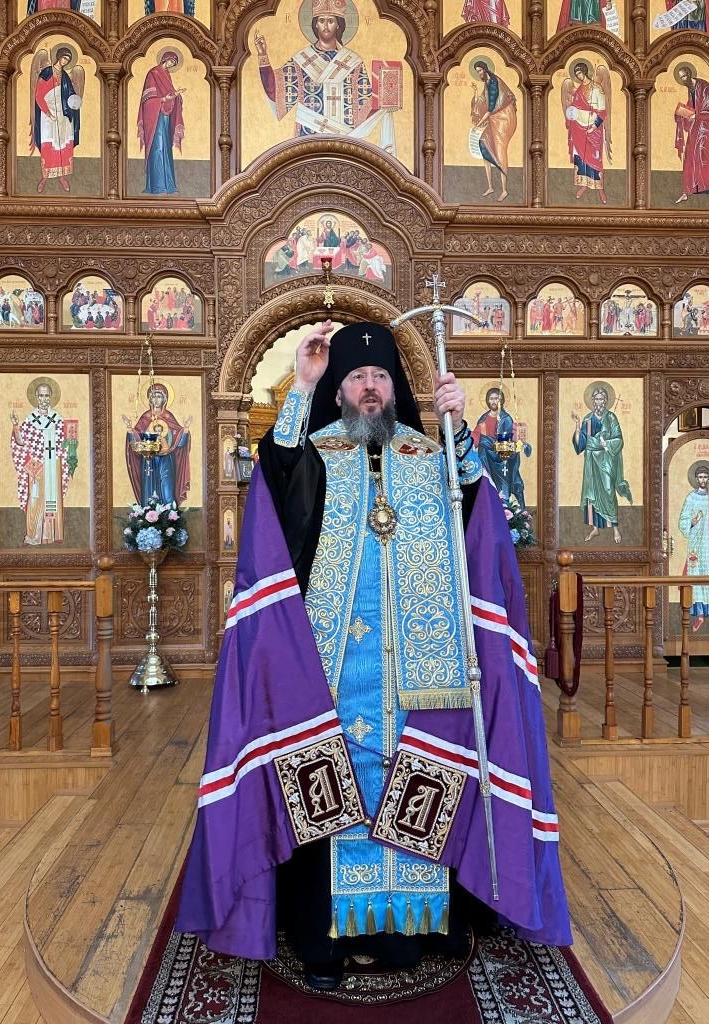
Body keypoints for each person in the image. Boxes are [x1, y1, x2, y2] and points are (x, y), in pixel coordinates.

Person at [177, 320, 571, 990]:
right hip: (328, 668)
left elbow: (480, 515)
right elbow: (276, 487)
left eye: (380, 377)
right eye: (356, 377)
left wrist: (460, 429)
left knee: (419, 785)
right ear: (338, 390)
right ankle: (321, 940)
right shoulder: (315, 451)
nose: (368, 388)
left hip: (423, 671)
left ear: (395, 389)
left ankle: (409, 935)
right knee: (329, 792)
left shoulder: (430, 454)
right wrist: (301, 386)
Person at [254, 0, 401, 155]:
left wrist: (387, 95)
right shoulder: (301, 60)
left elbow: (364, 105)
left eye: (330, 21)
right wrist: (263, 56)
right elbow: (276, 90)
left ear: (338, 25)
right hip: (308, 139)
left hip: (345, 140)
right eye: (321, 21)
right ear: (315, 25)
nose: (325, 26)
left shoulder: (353, 62)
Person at [10, 380, 69, 545]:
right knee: (35, 498)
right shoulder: (30, 420)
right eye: (41, 396)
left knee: (52, 499)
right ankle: (32, 535)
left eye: (47, 396)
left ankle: (52, 534)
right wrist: (16, 425)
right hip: (36, 466)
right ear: (36, 397)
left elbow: (64, 443)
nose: (44, 399)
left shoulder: (58, 419)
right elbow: (21, 442)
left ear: (51, 397)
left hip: (53, 465)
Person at [571, 385, 632, 544]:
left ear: (605, 401)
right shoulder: (588, 419)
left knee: (608, 491)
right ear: (593, 401)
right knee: (591, 493)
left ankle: (615, 528)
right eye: (597, 399)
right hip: (591, 461)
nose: (599, 402)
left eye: (602, 399)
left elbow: (619, 439)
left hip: (606, 460)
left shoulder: (611, 418)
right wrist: (577, 426)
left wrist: (607, 444)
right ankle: (595, 528)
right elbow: (581, 443)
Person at [123, 383, 191, 506]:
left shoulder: (168, 417)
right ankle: (148, 513)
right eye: (153, 396)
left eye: (159, 396)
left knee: (167, 487)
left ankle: (170, 514)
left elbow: (179, 443)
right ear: (149, 399)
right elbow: (136, 440)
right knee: (149, 488)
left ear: (164, 399)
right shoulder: (145, 418)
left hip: (166, 458)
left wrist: (185, 429)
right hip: (149, 459)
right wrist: (129, 429)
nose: (156, 399)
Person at [30, 47, 83, 194]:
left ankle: (62, 176)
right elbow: (38, 95)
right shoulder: (47, 73)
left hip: (63, 114)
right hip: (48, 114)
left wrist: (75, 103)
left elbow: (70, 95)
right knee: (49, 144)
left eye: (67, 60)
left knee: (63, 144)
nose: (65, 61)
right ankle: (45, 177)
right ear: (58, 57)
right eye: (64, 58)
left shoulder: (65, 76)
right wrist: (48, 113)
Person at [679, 465, 709, 631]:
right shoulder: (690, 498)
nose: (703, 480)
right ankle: (699, 615)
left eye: (706, 477)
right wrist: (692, 522)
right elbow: (682, 521)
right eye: (700, 477)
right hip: (695, 544)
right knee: (696, 577)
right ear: (696, 479)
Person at [561, 62, 611, 204]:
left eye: (580, 73)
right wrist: (570, 113)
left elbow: (602, 112)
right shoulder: (579, 90)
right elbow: (575, 106)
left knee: (595, 158)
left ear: (585, 72)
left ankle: (600, 188)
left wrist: (594, 126)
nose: (579, 76)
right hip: (578, 127)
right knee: (581, 157)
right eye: (577, 74)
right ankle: (584, 184)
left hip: (593, 129)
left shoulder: (597, 88)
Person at [471, 387, 529, 508]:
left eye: (496, 398)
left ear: (501, 400)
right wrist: (469, 442)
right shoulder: (484, 418)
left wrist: (519, 443)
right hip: (486, 457)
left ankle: (508, 509)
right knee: (487, 483)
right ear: (487, 401)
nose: (494, 401)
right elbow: (477, 435)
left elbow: (512, 437)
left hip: (502, 457)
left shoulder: (506, 418)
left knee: (507, 483)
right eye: (491, 398)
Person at [137, 51, 186, 195]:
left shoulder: (167, 75)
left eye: (174, 64)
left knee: (166, 148)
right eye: (171, 62)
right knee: (158, 147)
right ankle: (157, 186)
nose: (171, 65)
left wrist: (176, 96)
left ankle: (168, 185)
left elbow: (169, 95)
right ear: (165, 59)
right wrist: (163, 99)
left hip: (165, 117)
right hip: (155, 117)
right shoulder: (153, 73)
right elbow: (147, 99)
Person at [470, 60, 517, 203]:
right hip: (494, 118)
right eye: (477, 71)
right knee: (483, 143)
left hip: (503, 118)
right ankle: (490, 186)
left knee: (500, 150)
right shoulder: (487, 83)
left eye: (480, 70)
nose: (479, 73)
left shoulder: (494, 83)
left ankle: (504, 190)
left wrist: (478, 125)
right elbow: (483, 102)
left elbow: (490, 109)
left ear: (485, 69)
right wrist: (475, 92)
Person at [673, 64, 709, 207]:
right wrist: (681, 114)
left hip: (706, 128)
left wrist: (694, 115)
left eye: (684, 76)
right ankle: (687, 191)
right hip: (696, 128)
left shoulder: (704, 86)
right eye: (681, 78)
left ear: (689, 73)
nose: (683, 79)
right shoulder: (691, 89)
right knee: (689, 156)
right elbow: (691, 108)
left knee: (702, 156)